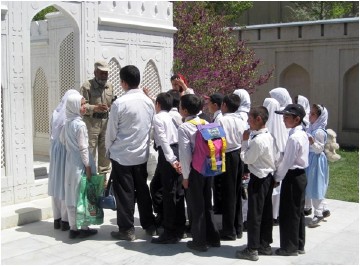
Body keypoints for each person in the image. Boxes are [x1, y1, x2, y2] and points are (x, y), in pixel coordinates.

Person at [105, 65, 156, 241]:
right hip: (141, 154)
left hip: (122, 155)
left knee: (124, 192)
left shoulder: (119, 103)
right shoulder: (148, 102)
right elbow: (150, 126)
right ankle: (149, 225)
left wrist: (108, 149)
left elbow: (111, 131)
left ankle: (127, 229)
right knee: (142, 190)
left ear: (123, 82)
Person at [178, 94, 220, 252]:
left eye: (180, 106)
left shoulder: (184, 127)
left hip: (195, 170)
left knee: (196, 205)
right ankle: (213, 237)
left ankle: (199, 241)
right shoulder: (206, 122)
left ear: (185, 110)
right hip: (208, 167)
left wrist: (186, 177)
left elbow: (185, 154)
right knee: (207, 203)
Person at [236, 106, 279, 261]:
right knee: (266, 212)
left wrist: (244, 142)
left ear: (259, 119)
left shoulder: (258, 140)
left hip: (259, 178)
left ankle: (252, 248)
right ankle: (264, 244)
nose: (248, 122)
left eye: (250, 119)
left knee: (255, 214)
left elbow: (247, 159)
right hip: (268, 176)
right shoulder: (269, 136)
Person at [61, 93, 98, 239]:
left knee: (71, 194)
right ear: (74, 107)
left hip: (70, 163)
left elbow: (62, 140)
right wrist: (88, 167)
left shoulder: (67, 122)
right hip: (80, 163)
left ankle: (73, 228)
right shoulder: (80, 124)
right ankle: (84, 227)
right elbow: (83, 148)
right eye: (82, 105)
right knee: (82, 195)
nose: (84, 107)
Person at [274, 104, 309, 256]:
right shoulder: (300, 134)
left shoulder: (295, 137)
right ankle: (298, 244)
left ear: (297, 119)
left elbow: (287, 162)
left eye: (287, 117)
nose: (283, 120)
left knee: (289, 212)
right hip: (299, 176)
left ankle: (289, 247)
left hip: (293, 176)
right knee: (297, 212)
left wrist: (277, 177)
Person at [151, 92, 186, 244]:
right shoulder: (172, 116)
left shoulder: (158, 117)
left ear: (158, 104)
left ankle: (169, 231)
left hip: (168, 155)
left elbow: (163, 140)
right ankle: (179, 228)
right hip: (177, 151)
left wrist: (171, 159)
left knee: (169, 191)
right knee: (177, 191)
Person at [48, 89, 79, 231]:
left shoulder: (55, 113)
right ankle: (66, 221)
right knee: (65, 185)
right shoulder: (70, 117)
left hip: (54, 153)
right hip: (65, 153)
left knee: (56, 185)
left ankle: (57, 219)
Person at [218, 94, 247, 240]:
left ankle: (229, 230)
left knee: (228, 193)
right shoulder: (241, 120)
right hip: (238, 154)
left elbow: (218, 139)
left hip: (228, 155)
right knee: (236, 191)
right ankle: (238, 226)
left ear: (224, 105)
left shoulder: (222, 119)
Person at [80, 60, 114, 180]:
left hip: (106, 122)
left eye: (106, 73)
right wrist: (95, 108)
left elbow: (111, 103)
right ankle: (90, 178)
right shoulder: (86, 86)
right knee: (90, 151)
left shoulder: (109, 86)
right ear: (95, 73)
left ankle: (103, 180)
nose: (104, 75)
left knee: (105, 151)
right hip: (91, 123)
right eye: (102, 73)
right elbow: (82, 106)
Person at [263, 98, 288, 225]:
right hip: (280, 165)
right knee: (277, 191)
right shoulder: (282, 126)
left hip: (268, 165)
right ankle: (275, 214)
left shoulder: (265, 127)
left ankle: (269, 215)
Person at [305, 104, 330, 227]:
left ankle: (318, 213)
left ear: (320, 117)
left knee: (316, 184)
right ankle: (322, 208)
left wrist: (312, 142)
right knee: (310, 183)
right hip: (310, 158)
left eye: (313, 114)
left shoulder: (319, 131)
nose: (310, 115)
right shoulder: (311, 127)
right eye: (310, 113)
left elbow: (319, 149)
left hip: (316, 159)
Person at [207, 93, 224, 214]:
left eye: (209, 103)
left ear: (215, 105)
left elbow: (216, 137)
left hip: (218, 154)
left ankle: (219, 208)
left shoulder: (218, 118)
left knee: (218, 183)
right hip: (218, 153)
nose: (207, 105)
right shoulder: (217, 117)